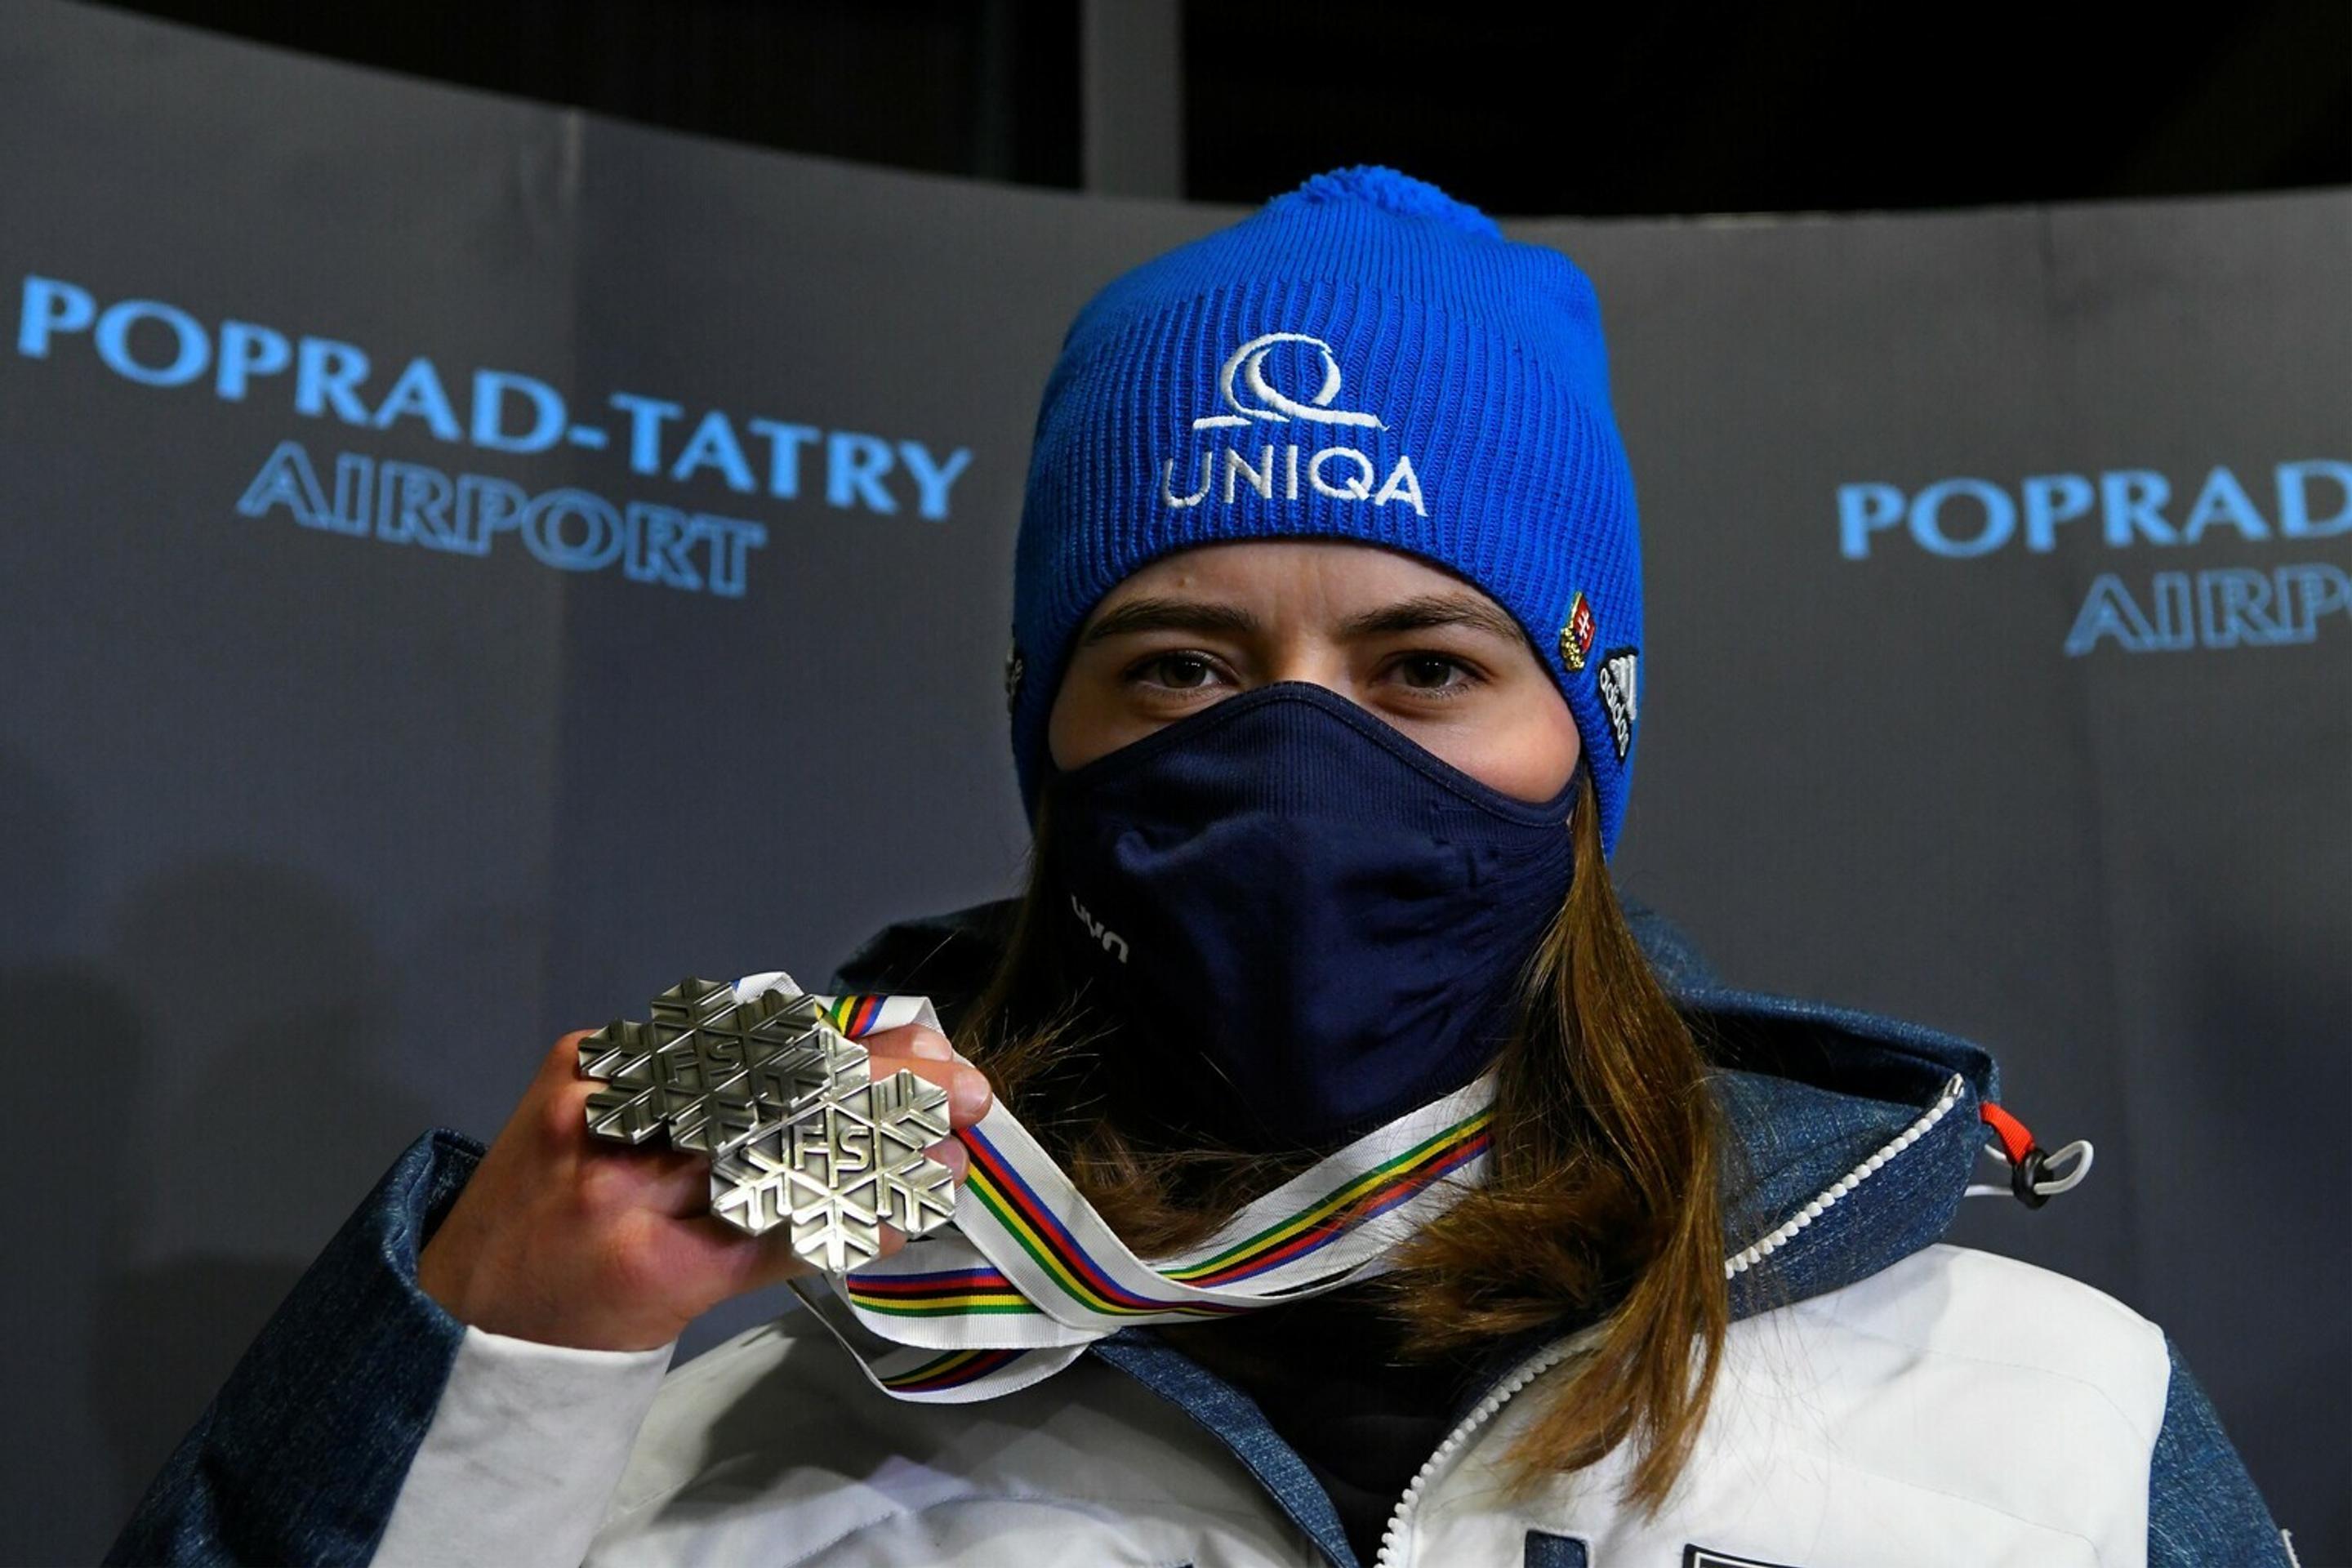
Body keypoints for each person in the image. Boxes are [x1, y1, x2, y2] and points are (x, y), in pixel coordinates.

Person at [109, 167, 2296, 1568]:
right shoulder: (741, 1364)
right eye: (1177, 665)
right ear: (1043, 733)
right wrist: (501, 1369)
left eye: (1426, 664)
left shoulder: (2035, 1400)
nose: (1292, 753)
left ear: (1588, 737)